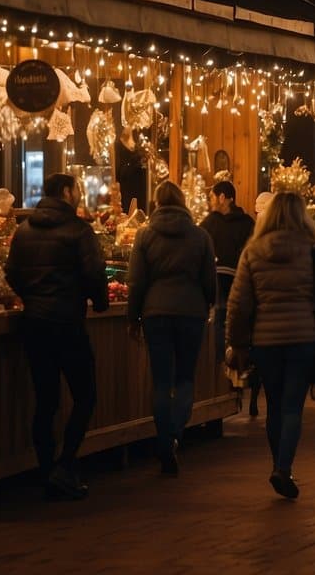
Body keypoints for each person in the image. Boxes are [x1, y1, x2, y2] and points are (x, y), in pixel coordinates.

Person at [226, 193, 315, 499]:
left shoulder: (252, 252)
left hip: (266, 341)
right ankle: (284, 467)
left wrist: (237, 342)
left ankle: (277, 464)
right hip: (303, 338)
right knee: (293, 406)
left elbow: (239, 304)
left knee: (275, 406)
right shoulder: (314, 251)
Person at [6, 173, 109, 500]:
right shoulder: (79, 231)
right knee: (85, 395)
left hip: (34, 323)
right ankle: (65, 465)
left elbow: (11, 274)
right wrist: (100, 301)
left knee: (46, 400)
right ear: (67, 192)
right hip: (68, 322)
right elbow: (94, 273)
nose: (79, 194)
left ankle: (46, 469)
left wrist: (32, 297)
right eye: (77, 189)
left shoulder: (23, 231)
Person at [127, 182, 217, 475]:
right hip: (191, 312)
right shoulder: (201, 236)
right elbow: (209, 280)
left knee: (161, 382)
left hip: (156, 313)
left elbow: (136, 281)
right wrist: (208, 305)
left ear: (156, 203)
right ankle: (176, 433)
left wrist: (133, 316)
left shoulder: (145, 235)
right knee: (185, 378)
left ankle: (164, 440)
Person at [201, 181, 255, 363]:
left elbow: (200, 248)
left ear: (222, 197)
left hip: (217, 277)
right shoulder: (247, 222)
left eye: (212, 197)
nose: (211, 202)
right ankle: (241, 363)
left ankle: (221, 365)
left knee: (219, 317)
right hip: (241, 278)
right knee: (239, 318)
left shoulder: (210, 222)